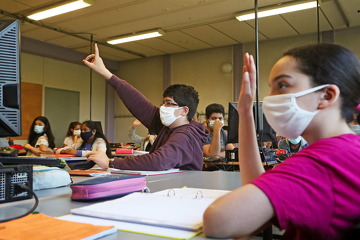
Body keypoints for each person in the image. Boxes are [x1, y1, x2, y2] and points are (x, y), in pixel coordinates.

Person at [203, 44, 360, 239]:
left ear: (326, 95)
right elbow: (260, 188)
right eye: (270, 88)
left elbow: (219, 221)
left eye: (282, 85)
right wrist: (245, 112)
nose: (269, 99)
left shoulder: (321, 162)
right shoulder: (348, 149)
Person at [82, 43, 208, 171]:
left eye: (168, 103)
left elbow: (159, 161)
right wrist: (106, 73)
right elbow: (139, 103)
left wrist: (111, 162)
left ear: (184, 110)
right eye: (163, 103)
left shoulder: (185, 135)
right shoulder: (167, 127)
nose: (163, 107)